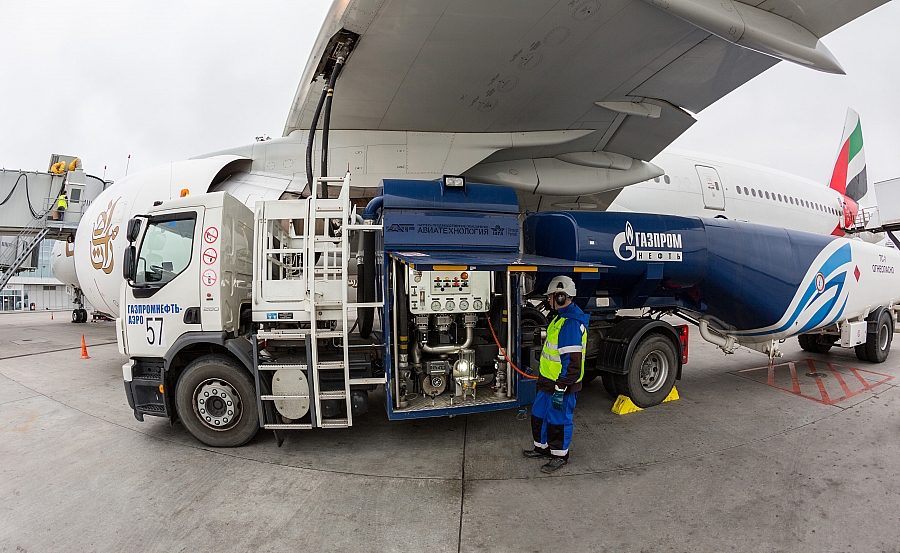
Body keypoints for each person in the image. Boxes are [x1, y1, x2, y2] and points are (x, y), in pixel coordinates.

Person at [523, 275, 589, 473]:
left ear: (561, 297)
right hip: (547, 382)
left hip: (561, 385)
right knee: (539, 415)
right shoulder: (559, 319)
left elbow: (573, 363)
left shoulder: (570, 324)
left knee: (558, 420)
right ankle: (541, 448)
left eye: (551, 297)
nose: (548, 300)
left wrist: (562, 386)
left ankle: (559, 455)